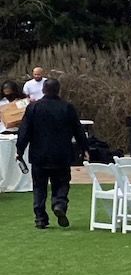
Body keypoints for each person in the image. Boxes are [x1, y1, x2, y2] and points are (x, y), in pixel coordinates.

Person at [15, 78, 89, 229]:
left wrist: (19, 150)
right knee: (62, 182)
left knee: (39, 187)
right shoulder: (67, 107)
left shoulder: (33, 107)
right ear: (58, 90)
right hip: (62, 154)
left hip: (39, 154)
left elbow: (25, 131)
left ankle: (40, 218)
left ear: (43, 89)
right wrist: (84, 148)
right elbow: (78, 129)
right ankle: (59, 203)